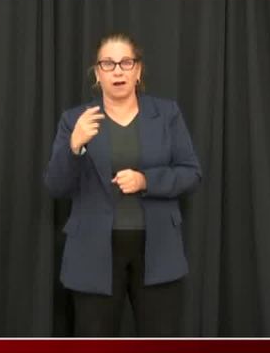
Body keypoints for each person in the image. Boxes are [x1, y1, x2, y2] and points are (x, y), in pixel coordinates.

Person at [44, 33, 202, 336]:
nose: (118, 70)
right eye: (108, 63)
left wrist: (146, 180)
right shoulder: (75, 120)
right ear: (97, 73)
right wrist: (74, 146)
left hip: (157, 251)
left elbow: (191, 173)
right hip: (93, 253)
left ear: (138, 70)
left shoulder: (166, 114)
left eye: (126, 62)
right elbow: (56, 186)